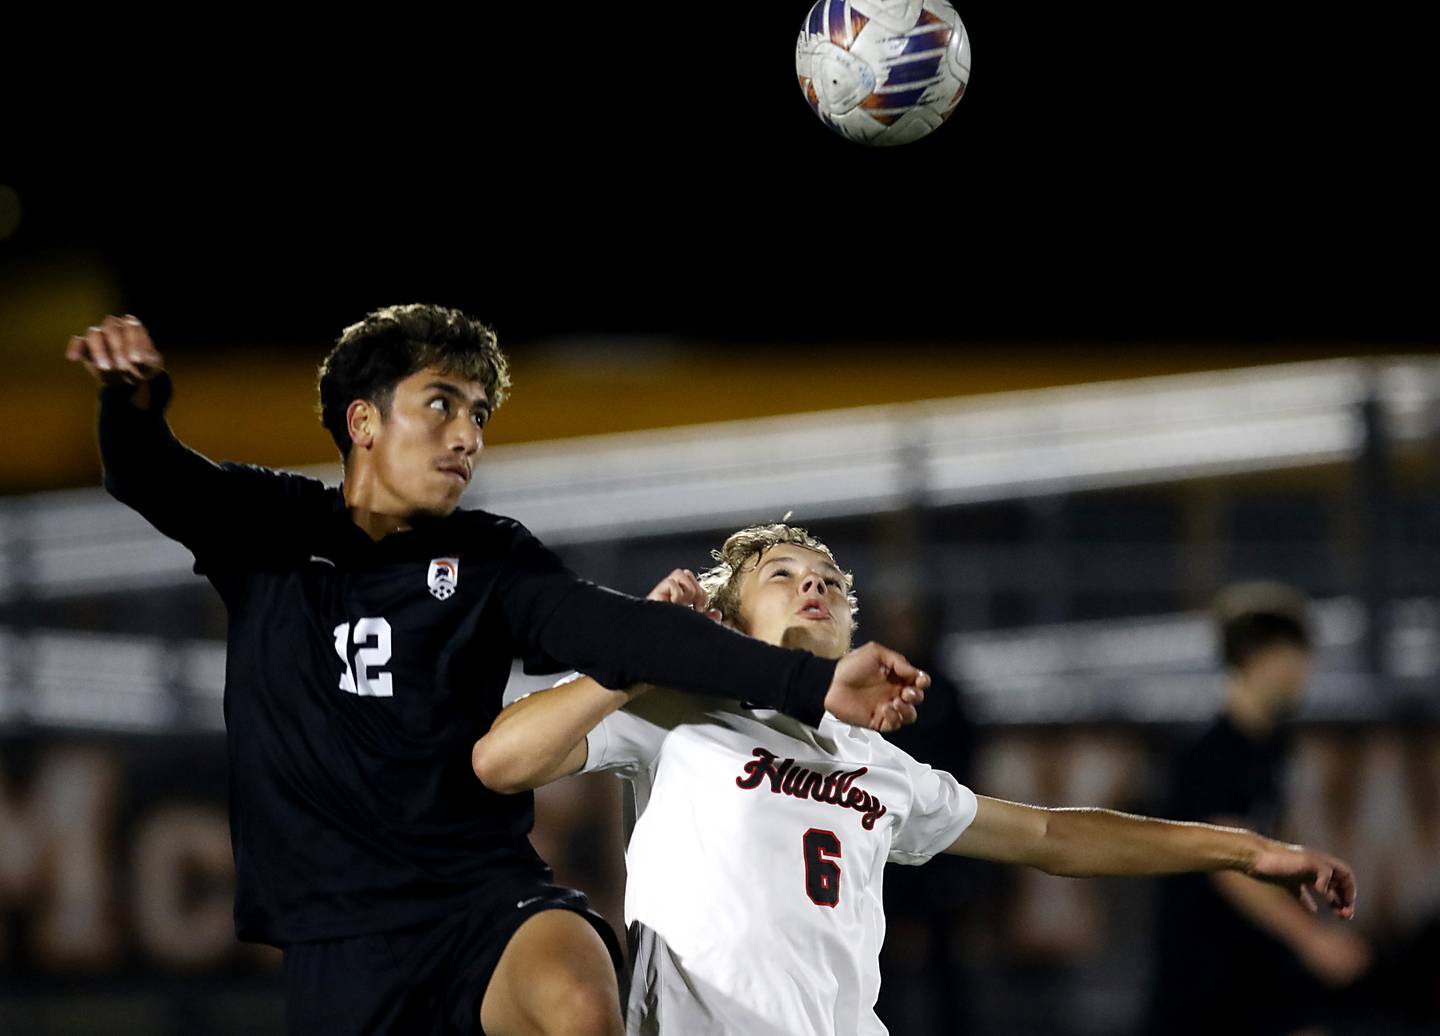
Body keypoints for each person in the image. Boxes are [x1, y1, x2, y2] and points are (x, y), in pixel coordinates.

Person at [65, 307, 929, 1036]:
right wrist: (134, 403)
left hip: (484, 900)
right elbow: (148, 474)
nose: (467, 437)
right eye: (441, 405)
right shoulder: (267, 528)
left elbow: (619, 633)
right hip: (338, 938)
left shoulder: (491, 559)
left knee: (582, 1003)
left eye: (477, 413)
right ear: (363, 421)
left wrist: (813, 686)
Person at [473, 524, 1360, 1036]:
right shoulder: (675, 710)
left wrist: (1245, 850)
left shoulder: (881, 766)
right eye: (780, 576)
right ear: (731, 615)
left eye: (826, 579)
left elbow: (1053, 836)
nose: (811, 586)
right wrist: (632, 656)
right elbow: (504, 759)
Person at [1145, 583, 1374, 1036]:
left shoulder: (1271, 745)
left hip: (1254, 958)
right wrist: (1313, 942)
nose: (1303, 673)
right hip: (1206, 967)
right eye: (1292, 659)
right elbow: (1229, 865)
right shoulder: (1209, 751)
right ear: (1255, 659)